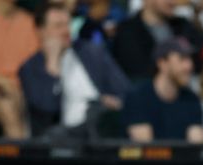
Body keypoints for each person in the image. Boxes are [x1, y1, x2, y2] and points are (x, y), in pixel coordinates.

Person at [19, 3, 129, 138]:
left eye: (67, 24)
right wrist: (53, 64)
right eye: (58, 26)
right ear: (40, 31)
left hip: (100, 127)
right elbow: (46, 111)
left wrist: (114, 102)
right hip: (59, 137)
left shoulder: (92, 52)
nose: (66, 31)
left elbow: (125, 91)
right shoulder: (30, 68)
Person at [123, 37, 203, 142]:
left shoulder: (191, 99)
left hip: (183, 158)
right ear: (162, 63)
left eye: (190, 59)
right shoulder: (138, 97)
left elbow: (196, 147)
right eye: (182, 59)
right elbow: (145, 150)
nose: (189, 66)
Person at [112, 0, 203, 80]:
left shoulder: (183, 26)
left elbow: (200, 61)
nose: (173, 2)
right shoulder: (127, 31)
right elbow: (134, 73)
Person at [0, 0, 39, 138]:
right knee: (7, 108)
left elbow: (35, 67)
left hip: (20, 93)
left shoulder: (28, 22)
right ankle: (23, 158)